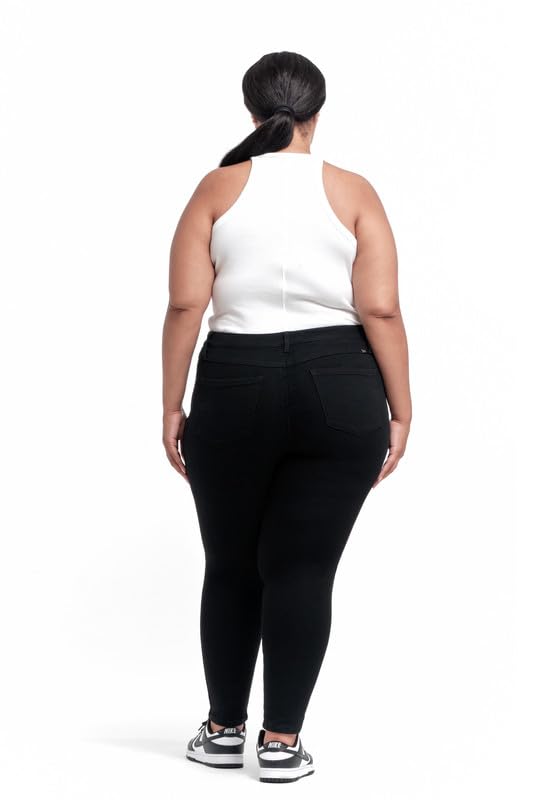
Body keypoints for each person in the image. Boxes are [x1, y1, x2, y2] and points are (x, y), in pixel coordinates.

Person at [162, 50, 412, 784]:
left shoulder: (217, 187)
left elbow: (185, 304)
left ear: (251, 111)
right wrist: (400, 408)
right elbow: (380, 309)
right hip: (340, 383)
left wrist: (171, 403)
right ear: (317, 113)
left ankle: (220, 731)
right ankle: (280, 743)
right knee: (303, 569)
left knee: (231, 564)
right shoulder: (353, 191)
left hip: (233, 383)